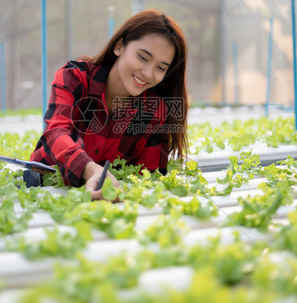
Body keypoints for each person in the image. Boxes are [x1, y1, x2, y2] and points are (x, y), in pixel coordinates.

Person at [28, 10, 189, 200]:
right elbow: (56, 132)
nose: (147, 73)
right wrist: (91, 170)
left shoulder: (154, 109)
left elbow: (150, 175)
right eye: (143, 58)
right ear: (119, 46)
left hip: (108, 203)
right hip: (43, 189)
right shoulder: (74, 77)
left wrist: (119, 192)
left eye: (160, 68)